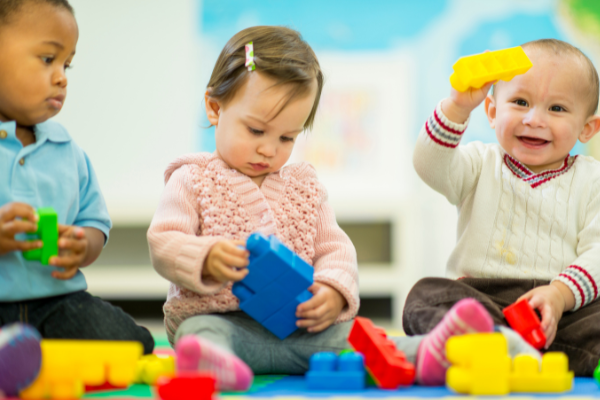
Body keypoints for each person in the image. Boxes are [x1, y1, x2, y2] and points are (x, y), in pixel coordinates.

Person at [147, 25, 524, 391]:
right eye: (256, 131)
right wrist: (205, 257)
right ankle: (211, 362)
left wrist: (331, 290)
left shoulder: (305, 186)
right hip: (223, 323)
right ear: (215, 108)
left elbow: (335, 249)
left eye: (287, 137)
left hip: (299, 330)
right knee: (200, 333)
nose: (268, 149)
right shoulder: (191, 179)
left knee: (360, 339)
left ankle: (430, 351)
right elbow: (164, 241)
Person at [404, 38, 600, 376]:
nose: (535, 119)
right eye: (521, 102)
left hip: (559, 309)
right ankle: (492, 345)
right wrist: (457, 107)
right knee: (425, 295)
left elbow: (597, 252)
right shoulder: (480, 163)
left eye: (556, 109)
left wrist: (559, 294)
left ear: (587, 128)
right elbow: (429, 165)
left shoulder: (592, 178)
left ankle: (512, 354)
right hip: (482, 298)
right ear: (493, 112)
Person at [0, 0, 154, 354]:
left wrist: (82, 244)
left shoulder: (68, 151)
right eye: (47, 59)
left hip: (56, 302)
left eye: (67, 64)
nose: (61, 77)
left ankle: (22, 355)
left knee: (129, 342)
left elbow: (95, 222)